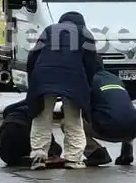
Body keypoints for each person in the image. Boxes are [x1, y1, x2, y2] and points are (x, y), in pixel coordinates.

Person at [25, 12, 101, 169]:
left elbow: (32, 57)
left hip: (43, 75)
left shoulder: (49, 30)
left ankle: (38, 155)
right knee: (73, 118)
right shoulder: (84, 33)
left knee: (42, 115)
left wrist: (33, 81)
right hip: (72, 78)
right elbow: (92, 63)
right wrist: (89, 84)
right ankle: (73, 158)